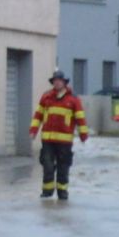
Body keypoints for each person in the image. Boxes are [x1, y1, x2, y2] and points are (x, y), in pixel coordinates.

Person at [33, 71, 87, 203]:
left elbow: (80, 118)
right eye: (55, 80)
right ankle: (47, 192)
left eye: (59, 80)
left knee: (63, 166)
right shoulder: (46, 97)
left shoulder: (73, 99)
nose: (57, 82)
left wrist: (83, 134)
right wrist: (33, 129)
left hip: (64, 141)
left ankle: (62, 192)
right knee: (47, 165)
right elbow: (38, 115)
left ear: (64, 82)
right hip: (48, 139)